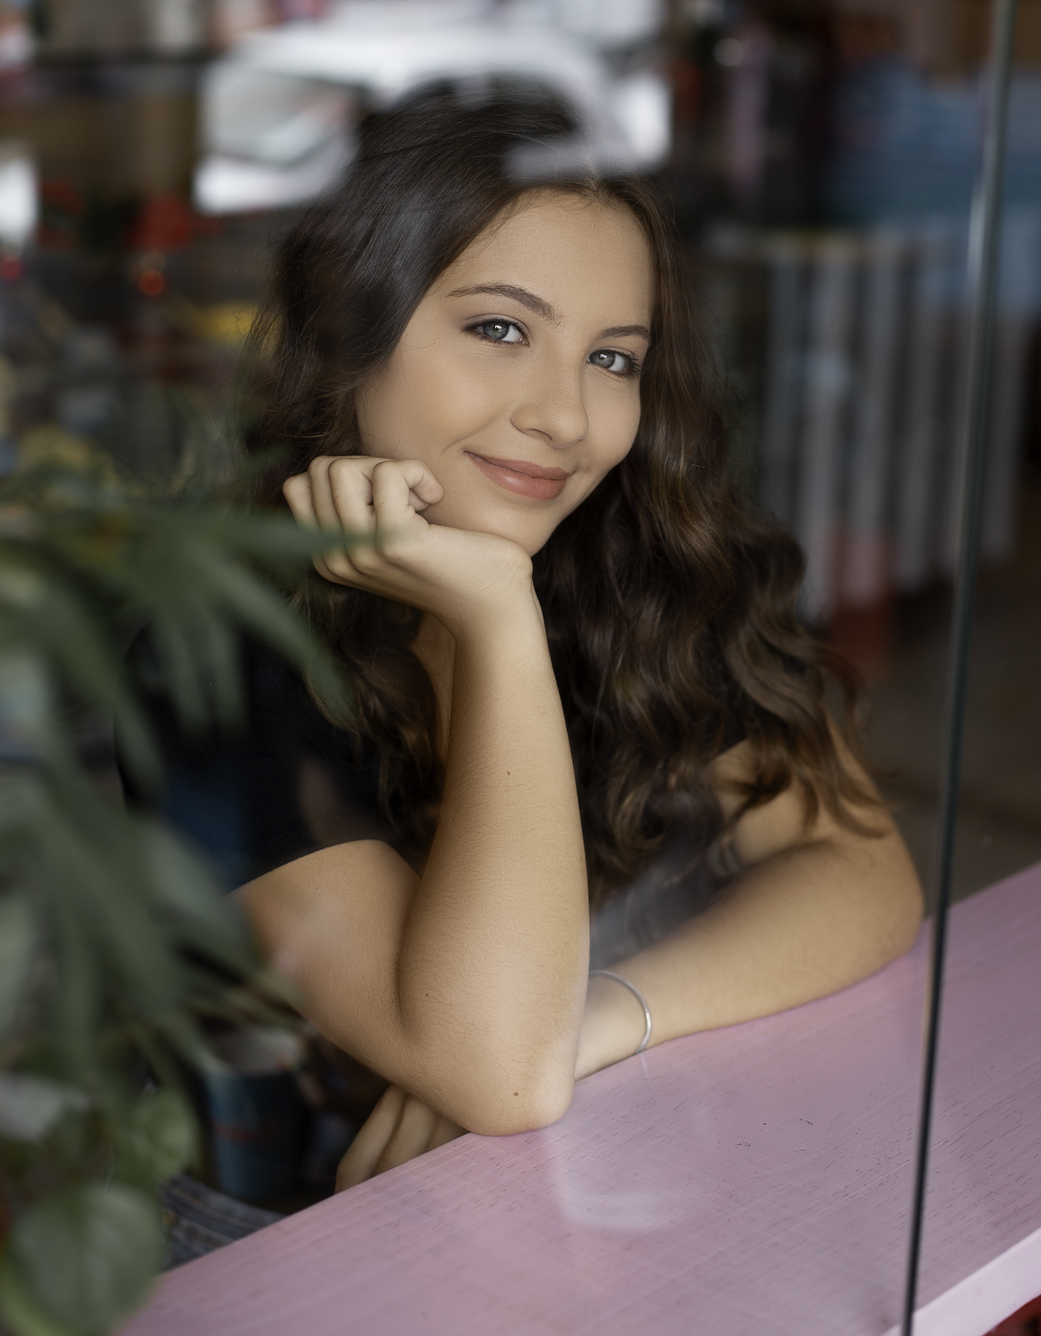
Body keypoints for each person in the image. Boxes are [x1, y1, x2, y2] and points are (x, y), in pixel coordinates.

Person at [151, 95, 923, 1200]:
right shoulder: (211, 654)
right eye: (501, 329)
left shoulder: (637, 570)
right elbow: (496, 1074)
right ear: (345, 337)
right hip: (262, 1274)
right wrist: (498, 619)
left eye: (613, 359)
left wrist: (604, 1015)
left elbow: (863, 871)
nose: (565, 415)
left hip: (561, 1232)